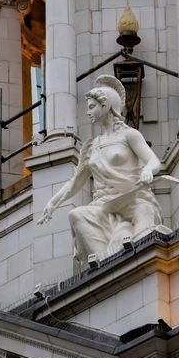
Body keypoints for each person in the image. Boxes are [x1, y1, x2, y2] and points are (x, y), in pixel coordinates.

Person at [39, 75, 163, 264]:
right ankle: (106, 266)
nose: (88, 112)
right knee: (76, 215)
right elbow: (76, 182)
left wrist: (148, 170)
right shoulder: (91, 146)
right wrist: (53, 203)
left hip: (134, 200)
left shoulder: (129, 135)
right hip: (104, 205)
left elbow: (154, 161)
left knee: (144, 227)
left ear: (105, 106)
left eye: (91, 107)